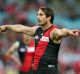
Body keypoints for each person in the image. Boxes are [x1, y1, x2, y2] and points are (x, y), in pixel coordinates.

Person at [0, 7, 79, 74]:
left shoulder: (53, 31)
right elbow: (20, 28)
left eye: (41, 15)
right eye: (37, 15)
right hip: (37, 70)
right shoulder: (37, 30)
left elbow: (62, 31)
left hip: (49, 70)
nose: (38, 17)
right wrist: (7, 27)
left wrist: (69, 32)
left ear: (49, 17)